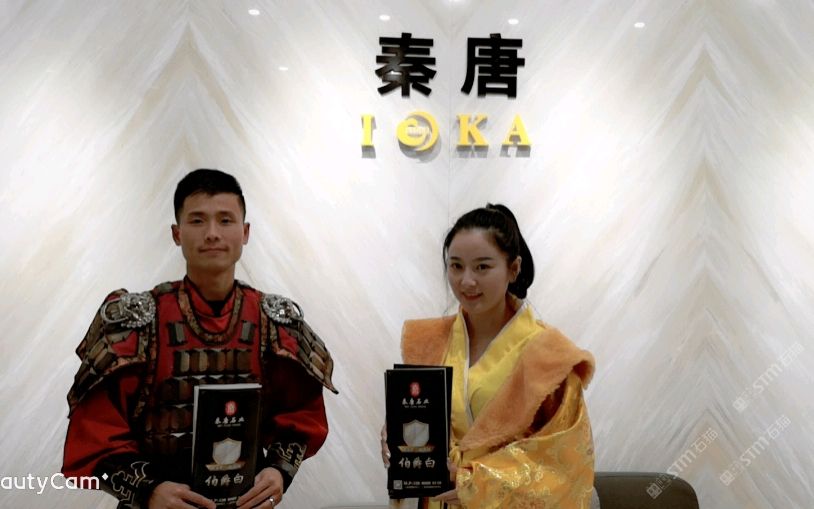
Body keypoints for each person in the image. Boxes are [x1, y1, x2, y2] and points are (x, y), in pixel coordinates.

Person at [62, 169, 337, 509]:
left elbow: (301, 417)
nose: (212, 233)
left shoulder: (274, 322)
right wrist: (147, 491)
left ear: (245, 232)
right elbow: (94, 438)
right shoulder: (137, 324)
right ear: (176, 233)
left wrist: (279, 472)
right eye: (197, 220)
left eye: (225, 220)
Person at [382, 204, 596, 508]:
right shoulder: (430, 341)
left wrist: (478, 482)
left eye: (482, 267)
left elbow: (563, 461)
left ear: (513, 268)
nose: (466, 281)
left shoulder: (549, 356)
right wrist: (398, 436)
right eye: (456, 266)